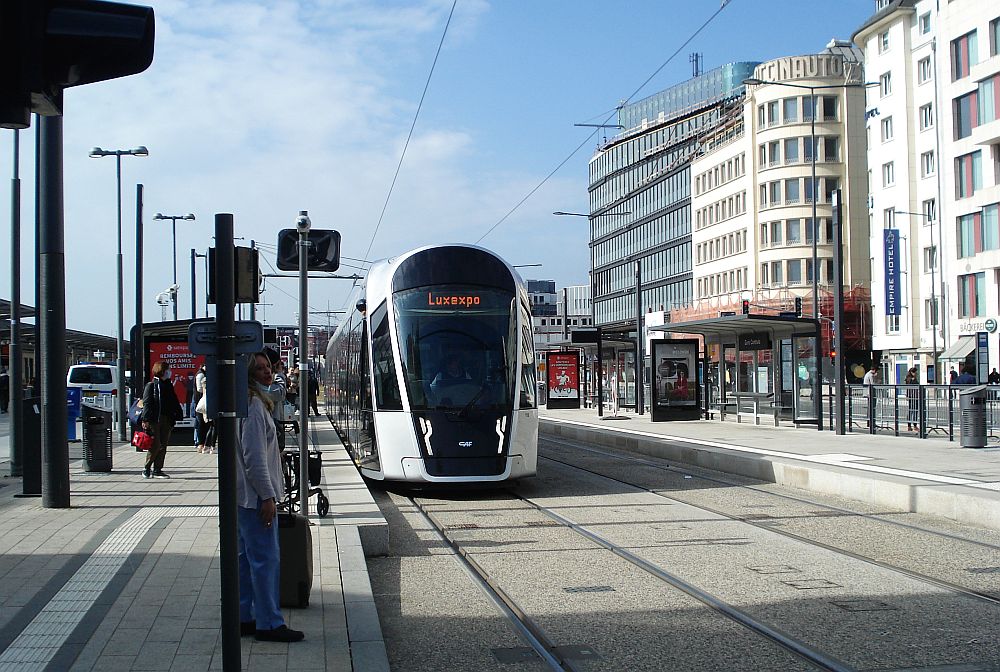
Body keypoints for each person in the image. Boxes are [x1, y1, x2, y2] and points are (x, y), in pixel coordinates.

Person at [237, 351, 304, 643]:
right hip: (254, 499)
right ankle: (269, 623)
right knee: (265, 560)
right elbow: (254, 459)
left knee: (244, 559)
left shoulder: (246, 403)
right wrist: (267, 496)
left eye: (268, 367)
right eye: (261, 369)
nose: (268, 372)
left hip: (242, 497)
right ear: (249, 375)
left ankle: (244, 617)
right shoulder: (252, 406)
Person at [140, 360, 183, 479]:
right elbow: (147, 403)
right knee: (155, 444)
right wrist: (146, 419)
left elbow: (173, 401)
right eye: (168, 370)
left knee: (163, 444)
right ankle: (147, 467)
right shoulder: (152, 385)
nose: (170, 372)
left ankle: (158, 469)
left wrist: (177, 414)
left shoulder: (168, 385)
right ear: (162, 371)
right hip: (154, 419)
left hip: (167, 419)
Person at [194, 365, 208, 452]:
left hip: (201, 401)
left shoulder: (203, 374)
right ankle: (200, 443)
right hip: (201, 402)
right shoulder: (200, 375)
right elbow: (199, 389)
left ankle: (201, 443)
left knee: (202, 423)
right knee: (201, 423)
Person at [904, 367, 920, 432]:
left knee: (913, 411)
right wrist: (908, 395)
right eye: (915, 372)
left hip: (914, 396)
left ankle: (912, 425)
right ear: (912, 372)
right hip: (913, 396)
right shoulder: (911, 379)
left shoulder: (911, 378)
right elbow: (909, 387)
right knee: (912, 411)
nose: (916, 373)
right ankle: (912, 426)